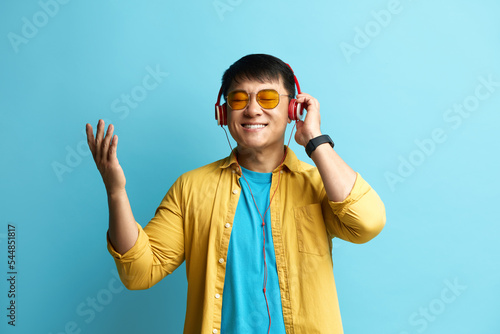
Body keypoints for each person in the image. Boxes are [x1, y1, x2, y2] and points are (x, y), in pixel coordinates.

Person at [86, 54, 386, 334]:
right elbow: (139, 272)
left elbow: (367, 223)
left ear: (294, 109)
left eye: (267, 97)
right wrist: (116, 192)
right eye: (239, 98)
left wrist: (315, 140)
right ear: (223, 112)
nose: (253, 109)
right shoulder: (191, 188)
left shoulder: (320, 184)